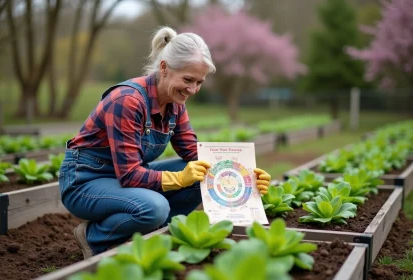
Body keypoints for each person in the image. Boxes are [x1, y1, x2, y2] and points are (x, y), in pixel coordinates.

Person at [58, 26, 272, 259]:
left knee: (204, 174)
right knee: (154, 207)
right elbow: (129, 175)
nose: (193, 89)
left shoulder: (175, 104)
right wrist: (180, 178)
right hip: (85, 181)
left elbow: (194, 153)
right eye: (188, 79)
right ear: (164, 68)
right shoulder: (127, 101)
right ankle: (94, 238)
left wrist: (245, 176)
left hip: (123, 179)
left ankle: (156, 238)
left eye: (199, 82)